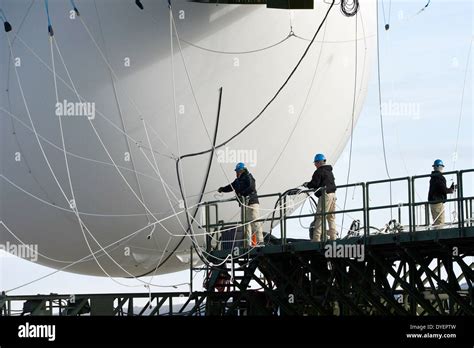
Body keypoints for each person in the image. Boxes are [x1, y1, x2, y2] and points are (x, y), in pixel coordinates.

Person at [218, 163, 264, 247]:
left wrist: (241, 194)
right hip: (244, 204)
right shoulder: (237, 181)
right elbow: (231, 187)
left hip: (252, 203)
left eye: (237, 171)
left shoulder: (248, 177)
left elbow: (251, 187)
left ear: (241, 170)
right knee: (245, 225)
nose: (236, 173)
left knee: (255, 221)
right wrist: (222, 189)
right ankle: (247, 243)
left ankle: (260, 241)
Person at [303, 153, 337, 242]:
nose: (315, 165)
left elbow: (315, 183)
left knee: (320, 216)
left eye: (315, 163)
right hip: (333, 195)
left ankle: (316, 238)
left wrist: (307, 185)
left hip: (325, 195)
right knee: (331, 217)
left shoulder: (319, 171)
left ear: (318, 162)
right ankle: (333, 237)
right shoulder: (329, 171)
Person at [428, 159, 455, 228]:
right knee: (440, 223)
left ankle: (436, 236)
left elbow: (440, 188)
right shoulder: (439, 177)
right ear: (440, 167)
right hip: (438, 203)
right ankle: (438, 237)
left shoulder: (433, 177)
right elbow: (443, 190)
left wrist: (450, 189)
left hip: (433, 202)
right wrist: (451, 190)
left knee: (436, 222)